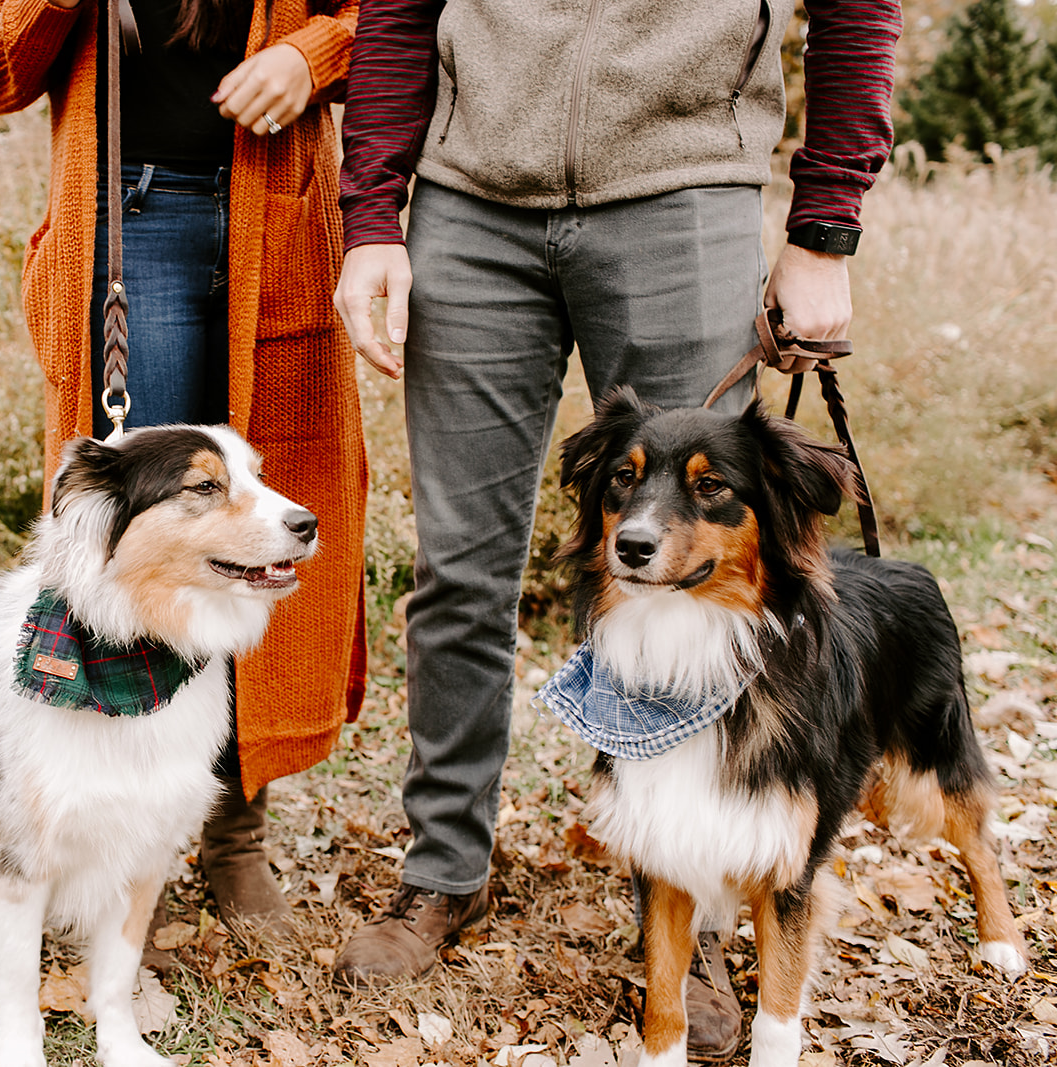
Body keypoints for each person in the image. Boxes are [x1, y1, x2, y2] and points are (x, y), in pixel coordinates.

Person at [328, 0, 901, 1056]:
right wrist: (371, 215)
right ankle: (443, 870)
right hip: (469, 202)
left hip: (681, 192)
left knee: (688, 579)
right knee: (459, 567)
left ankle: (705, 920)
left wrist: (824, 226)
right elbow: (398, 10)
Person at [0, 0, 368, 935]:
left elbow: (382, 17)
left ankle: (233, 830)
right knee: (136, 542)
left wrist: (314, 54)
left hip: (283, 219)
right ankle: (102, 822)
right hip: (125, 230)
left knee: (257, 526)